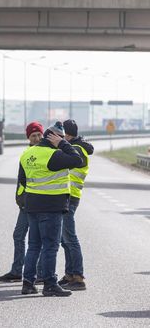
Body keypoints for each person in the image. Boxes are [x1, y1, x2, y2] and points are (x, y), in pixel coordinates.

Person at [19, 122, 82, 297]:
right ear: (54, 138)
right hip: (52, 206)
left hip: (32, 205)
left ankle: (28, 283)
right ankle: (49, 284)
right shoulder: (54, 155)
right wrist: (62, 144)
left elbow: (22, 180)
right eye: (60, 138)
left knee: (33, 246)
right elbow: (78, 159)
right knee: (50, 246)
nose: (62, 140)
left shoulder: (27, 154)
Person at [0, 122, 45, 283]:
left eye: (39, 135)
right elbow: (22, 180)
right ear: (28, 138)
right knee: (18, 236)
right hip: (26, 203)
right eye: (33, 136)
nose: (37, 138)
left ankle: (39, 273)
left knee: (38, 240)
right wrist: (20, 198)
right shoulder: (27, 154)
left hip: (40, 202)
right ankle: (17, 271)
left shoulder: (48, 152)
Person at [59, 119, 93, 291]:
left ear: (67, 134)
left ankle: (78, 277)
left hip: (69, 196)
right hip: (68, 195)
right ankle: (70, 274)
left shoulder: (76, 150)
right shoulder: (77, 147)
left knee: (70, 238)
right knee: (64, 240)